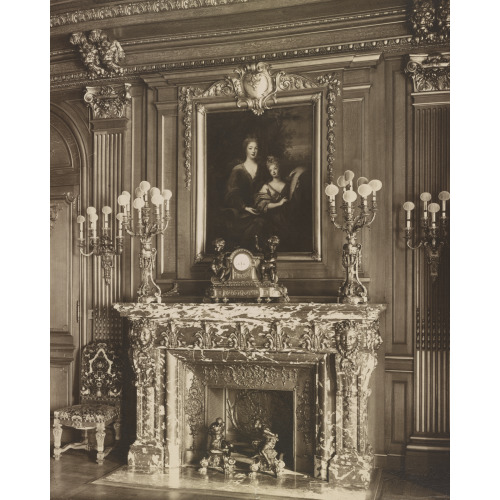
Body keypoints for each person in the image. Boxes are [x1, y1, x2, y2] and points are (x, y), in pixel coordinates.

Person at [223, 137, 267, 249]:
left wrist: (265, 200)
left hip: (260, 208)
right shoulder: (237, 170)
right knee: (256, 224)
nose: (253, 151)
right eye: (250, 148)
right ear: (245, 150)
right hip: (242, 212)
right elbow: (231, 193)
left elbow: (268, 186)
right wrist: (244, 207)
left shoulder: (262, 169)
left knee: (264, 222)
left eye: (256, 148)